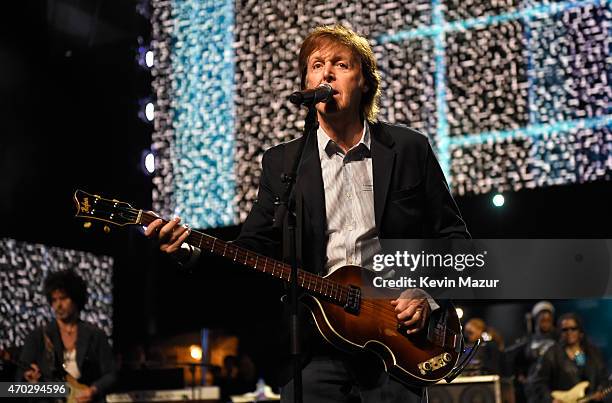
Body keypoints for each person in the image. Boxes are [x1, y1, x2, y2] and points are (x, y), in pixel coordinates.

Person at [145, 24, 469, 403]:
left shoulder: (409, 149)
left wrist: (427, 293)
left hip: (397, 345)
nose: (326, 73)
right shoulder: (283, 163)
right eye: (316, 65)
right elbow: (252, 247)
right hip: (317, 350)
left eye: (340, 64)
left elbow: (455, 239)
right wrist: (190, 250)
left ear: (364, 82)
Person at [16, 270, 116, 403]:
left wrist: (93, 390)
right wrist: (30, 381)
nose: (58, 305)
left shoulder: (96, 335)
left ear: (75, 299)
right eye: (54, 300)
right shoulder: (37, 337)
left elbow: (111, 375)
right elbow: (13, 388)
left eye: (63, 298)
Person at [527, 312, 608, 403]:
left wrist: (601, 389)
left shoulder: (592, 352)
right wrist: (551, 399)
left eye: (573, 328)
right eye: (565, 329)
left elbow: (603, 377)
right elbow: (539, 382)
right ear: (560, 332)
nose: (569, 332)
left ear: (580, 331)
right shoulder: (551, 353)